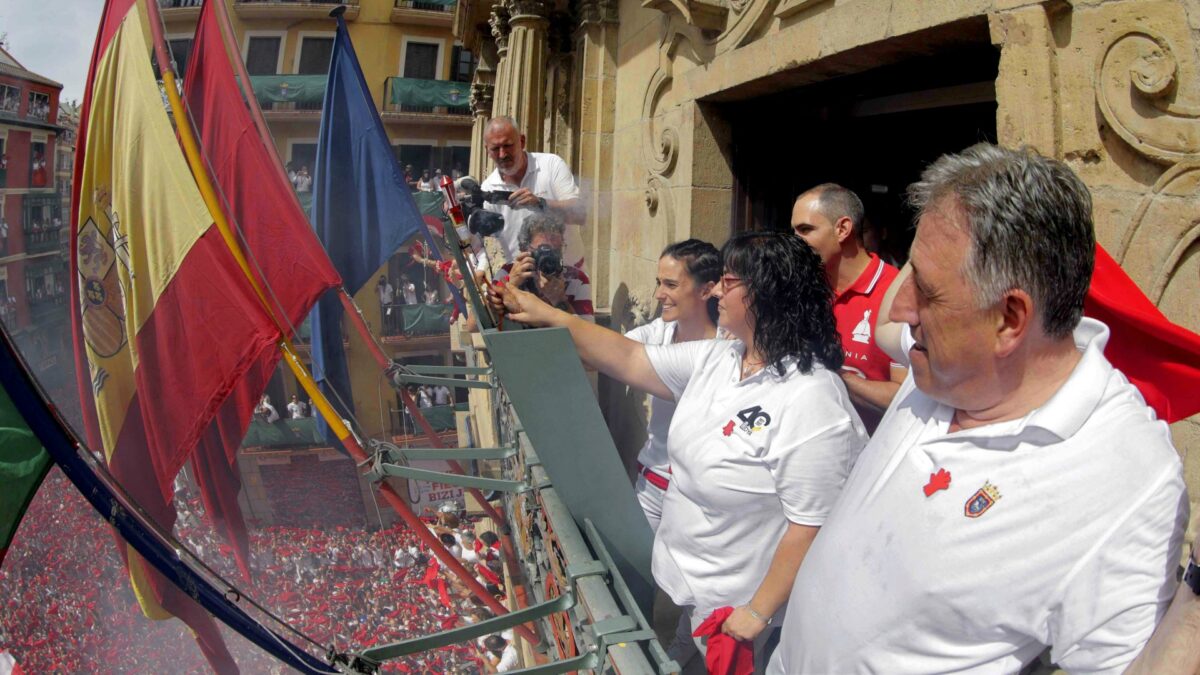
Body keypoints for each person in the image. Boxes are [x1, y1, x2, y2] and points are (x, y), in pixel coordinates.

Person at [769, 144, 1192, 674]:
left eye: (924, 289)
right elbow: (884, 327)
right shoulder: (948, 356)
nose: (902, 312)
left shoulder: (1124, 477)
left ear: (1010, 319)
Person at [491, 231, 867, 666]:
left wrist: (756, 614)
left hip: (736, 619)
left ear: (764, 295)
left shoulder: (813, 398)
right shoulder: (719, 357)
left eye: (730, 281)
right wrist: (542, 312)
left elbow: (812, 525)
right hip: (682, 589)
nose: (719, 291)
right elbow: (630, 358)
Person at [792, 183, 905, 432]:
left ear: (842, 229)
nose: (795, 242)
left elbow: (903, 399)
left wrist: (828, 373)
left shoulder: (898, 293)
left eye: (805, 230)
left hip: (870, 456)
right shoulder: (803, 289)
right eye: (794, 231)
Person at [624, 239, 720, 532]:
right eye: (658, 283)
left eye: (670, 285)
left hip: (699, 501)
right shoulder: (659, 332)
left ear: (706, 290)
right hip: (649, 486)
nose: (658, 294)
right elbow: (603, 353)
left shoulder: (732, 346)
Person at [480, 116, 586, 268]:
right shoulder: (487, 189)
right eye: (495, 148)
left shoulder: (550, 165)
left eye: (508, 145)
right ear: (487, 150)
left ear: (522, 141)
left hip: (570, 276)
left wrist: (541, 204)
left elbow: (580, 214)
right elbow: (479, 243)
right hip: (525, 281)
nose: (502, 154)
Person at [496, 213, 593, 320]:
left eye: (556, 250)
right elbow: (480, 324)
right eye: (543, 250)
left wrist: (560, 301)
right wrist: (510, 287)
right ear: (524, 249)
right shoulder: (507, 274)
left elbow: (589, 332)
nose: (549, 257)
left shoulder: (576, 279)